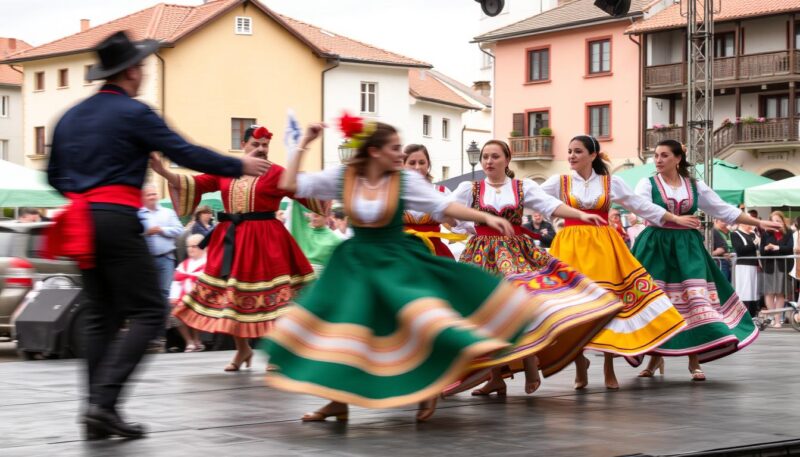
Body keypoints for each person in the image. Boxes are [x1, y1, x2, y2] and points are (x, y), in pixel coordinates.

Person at [263, 118, 619, 423]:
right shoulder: (346, 176)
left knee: (420, 325)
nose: (399, 154)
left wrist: (483, 217)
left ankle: (429, 388)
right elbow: (291, 185)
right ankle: (337, 402)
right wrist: (303, 143)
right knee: (342, 331)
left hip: (394, 260)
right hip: (355, 264)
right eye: (393, 148)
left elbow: (444, 206)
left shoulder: (403, 181)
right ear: (374, 151)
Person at [43, 31, 268, 440]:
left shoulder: (69, 117)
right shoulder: (135, 113)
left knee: (102, 316)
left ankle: (97, 413)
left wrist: (86, 196)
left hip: (81, 220)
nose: (144, 72)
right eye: (142, 66)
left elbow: (54, 176)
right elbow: (185, 152)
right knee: (149, 311)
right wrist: (238, 166)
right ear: (131, 70)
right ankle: (103, 404)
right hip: (115, 218)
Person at [447, 139, 623, 397]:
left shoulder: (522, 187)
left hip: (515, 252)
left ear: (507, 160)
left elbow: (551, 206)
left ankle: (530, 359)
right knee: (485, 313)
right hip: (482, 253)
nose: (488, 161)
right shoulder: (470, 188)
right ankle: (496, 378)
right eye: (485, 157)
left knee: (519, 304)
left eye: (495, 156)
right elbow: (446, 212)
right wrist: (469, 228)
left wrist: (580, 215)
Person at [151, 123, 325, 372]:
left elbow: (305, 190)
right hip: (232, 241)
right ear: (243, 145)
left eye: (265, 145)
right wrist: (163, 172)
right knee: (232, 299)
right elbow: (194, 184)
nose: (261, 149)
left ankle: (276, 354)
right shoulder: (227, 170)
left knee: (273, 301)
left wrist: (331, 182)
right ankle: (243, 349)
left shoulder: (276, 173)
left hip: (266, 242)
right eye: (255, 144)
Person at [540, 135, 695, 390]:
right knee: (573, 308)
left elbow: (640, 205)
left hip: (603, 246)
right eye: (569, 151)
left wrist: (674, 218)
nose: (571, 156)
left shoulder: (611, 182)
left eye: (577, 151)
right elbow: (528, 198)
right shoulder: (559, 182)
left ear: (593, 155)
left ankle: (608, 366)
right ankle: (579, 364)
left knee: (608, 306)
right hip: (570, 246)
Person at [631, 140, 777, 381]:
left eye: (664, 155)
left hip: (687, 248)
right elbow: (641, 208)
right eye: (656, 155)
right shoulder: (647, 183)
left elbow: (723, 209)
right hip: (655, 247)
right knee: (658, 303)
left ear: (678, 158)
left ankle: (694, 359)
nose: (658, 160)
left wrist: (759, 222)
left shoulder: (694, 186)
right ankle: (655, 356)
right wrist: (675, 219)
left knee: (695, 302)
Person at [402, 144, 466, 258]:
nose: (417, 167)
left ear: (428, 165)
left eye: (422, 162)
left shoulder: (441, 192)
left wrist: (452, 221)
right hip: (403, 251)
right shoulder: (394, 193)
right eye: (412, 163)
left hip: (434, 251)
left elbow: (458, 223)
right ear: (403, 165)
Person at [139, 184, 184, 325]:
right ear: (143, 197)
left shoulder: (167, 212)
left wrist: (162, 230)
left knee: (165, 292)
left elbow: (180, 230)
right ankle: (150, 324)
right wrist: (145, 233)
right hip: (146, 260)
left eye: (154, 194)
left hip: (166, 258)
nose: (152, 197)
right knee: (148, 292)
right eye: (149, 195)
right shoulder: (139, 214)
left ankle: (162, 327)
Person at [169, 234, 207, 352]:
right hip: (184, 298)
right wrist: (173, 297)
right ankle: (189, 341)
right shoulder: (183, 265)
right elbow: (176, 282)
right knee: (175, 312)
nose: (190, 249)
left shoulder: (208, 262)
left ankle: (197, 340)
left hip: (202, 297)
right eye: (188, 246)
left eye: (194, 246)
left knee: (194, 308)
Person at [760, 211, 794, 328]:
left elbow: (790, 248)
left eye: (778, 220)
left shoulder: (788, 232)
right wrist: (766, 248)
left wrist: (777, 247)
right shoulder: (766, 233)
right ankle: (773, 317)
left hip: (782, 266)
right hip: (769, 266)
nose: (776, 223)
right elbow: (761, 251)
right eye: (773, 221)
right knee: (769, 293)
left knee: (780, 293)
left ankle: (778, 320)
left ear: (783, 221)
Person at [732, 221, 761, 318]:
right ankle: (745, 314)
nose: (750, 225)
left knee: (753, 291)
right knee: (745, 290)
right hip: (743, 266)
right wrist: (754, 243)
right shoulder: (735, 234)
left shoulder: (752, 234)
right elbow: (740, 250)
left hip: (753, 265)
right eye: (748, 222)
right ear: (742, 223)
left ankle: (753, 313)